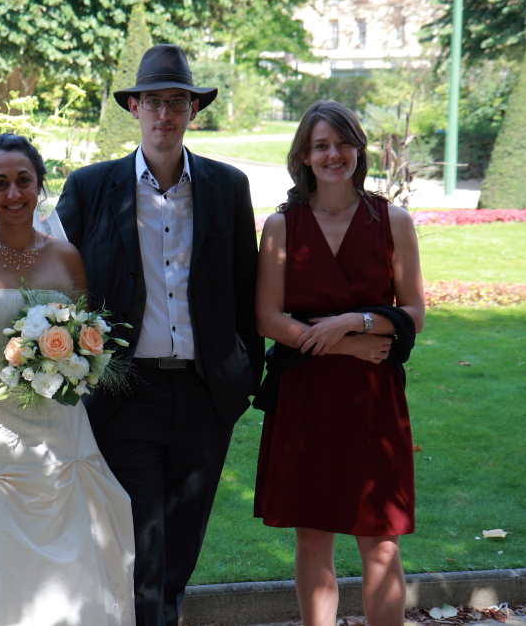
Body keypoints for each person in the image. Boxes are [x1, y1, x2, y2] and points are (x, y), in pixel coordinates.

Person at [57, 44, 263, 626]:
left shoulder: (227, 186)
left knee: (180, 550)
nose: (165, 114)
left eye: (177, 102)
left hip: (204, 395)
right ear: (135, 108)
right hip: (126, 395)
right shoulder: (92, 187)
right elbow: (56, 282)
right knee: (141, 545)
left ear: (193, 110)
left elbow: (245, 288)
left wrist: (242, 376)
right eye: (153, 102)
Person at [0, 134, 136, 625]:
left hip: (60, 427)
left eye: (23, 181)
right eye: (0, 183)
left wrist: (71, 358)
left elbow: (87, 336)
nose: (13, 194)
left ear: (40, 185)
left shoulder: (67, 256)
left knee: (74, 548)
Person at [253, 100, 425, 626]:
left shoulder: (393, 221)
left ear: (358, 150)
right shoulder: (282, 227)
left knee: (381, 541)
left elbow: (414, 312)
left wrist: (357, 321)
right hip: (306, 396)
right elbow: (266, 317)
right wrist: (348, 344)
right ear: (304, 155)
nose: (334, 155)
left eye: (343, 143)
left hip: (373, 398)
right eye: (321, 145)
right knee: (312, 536)